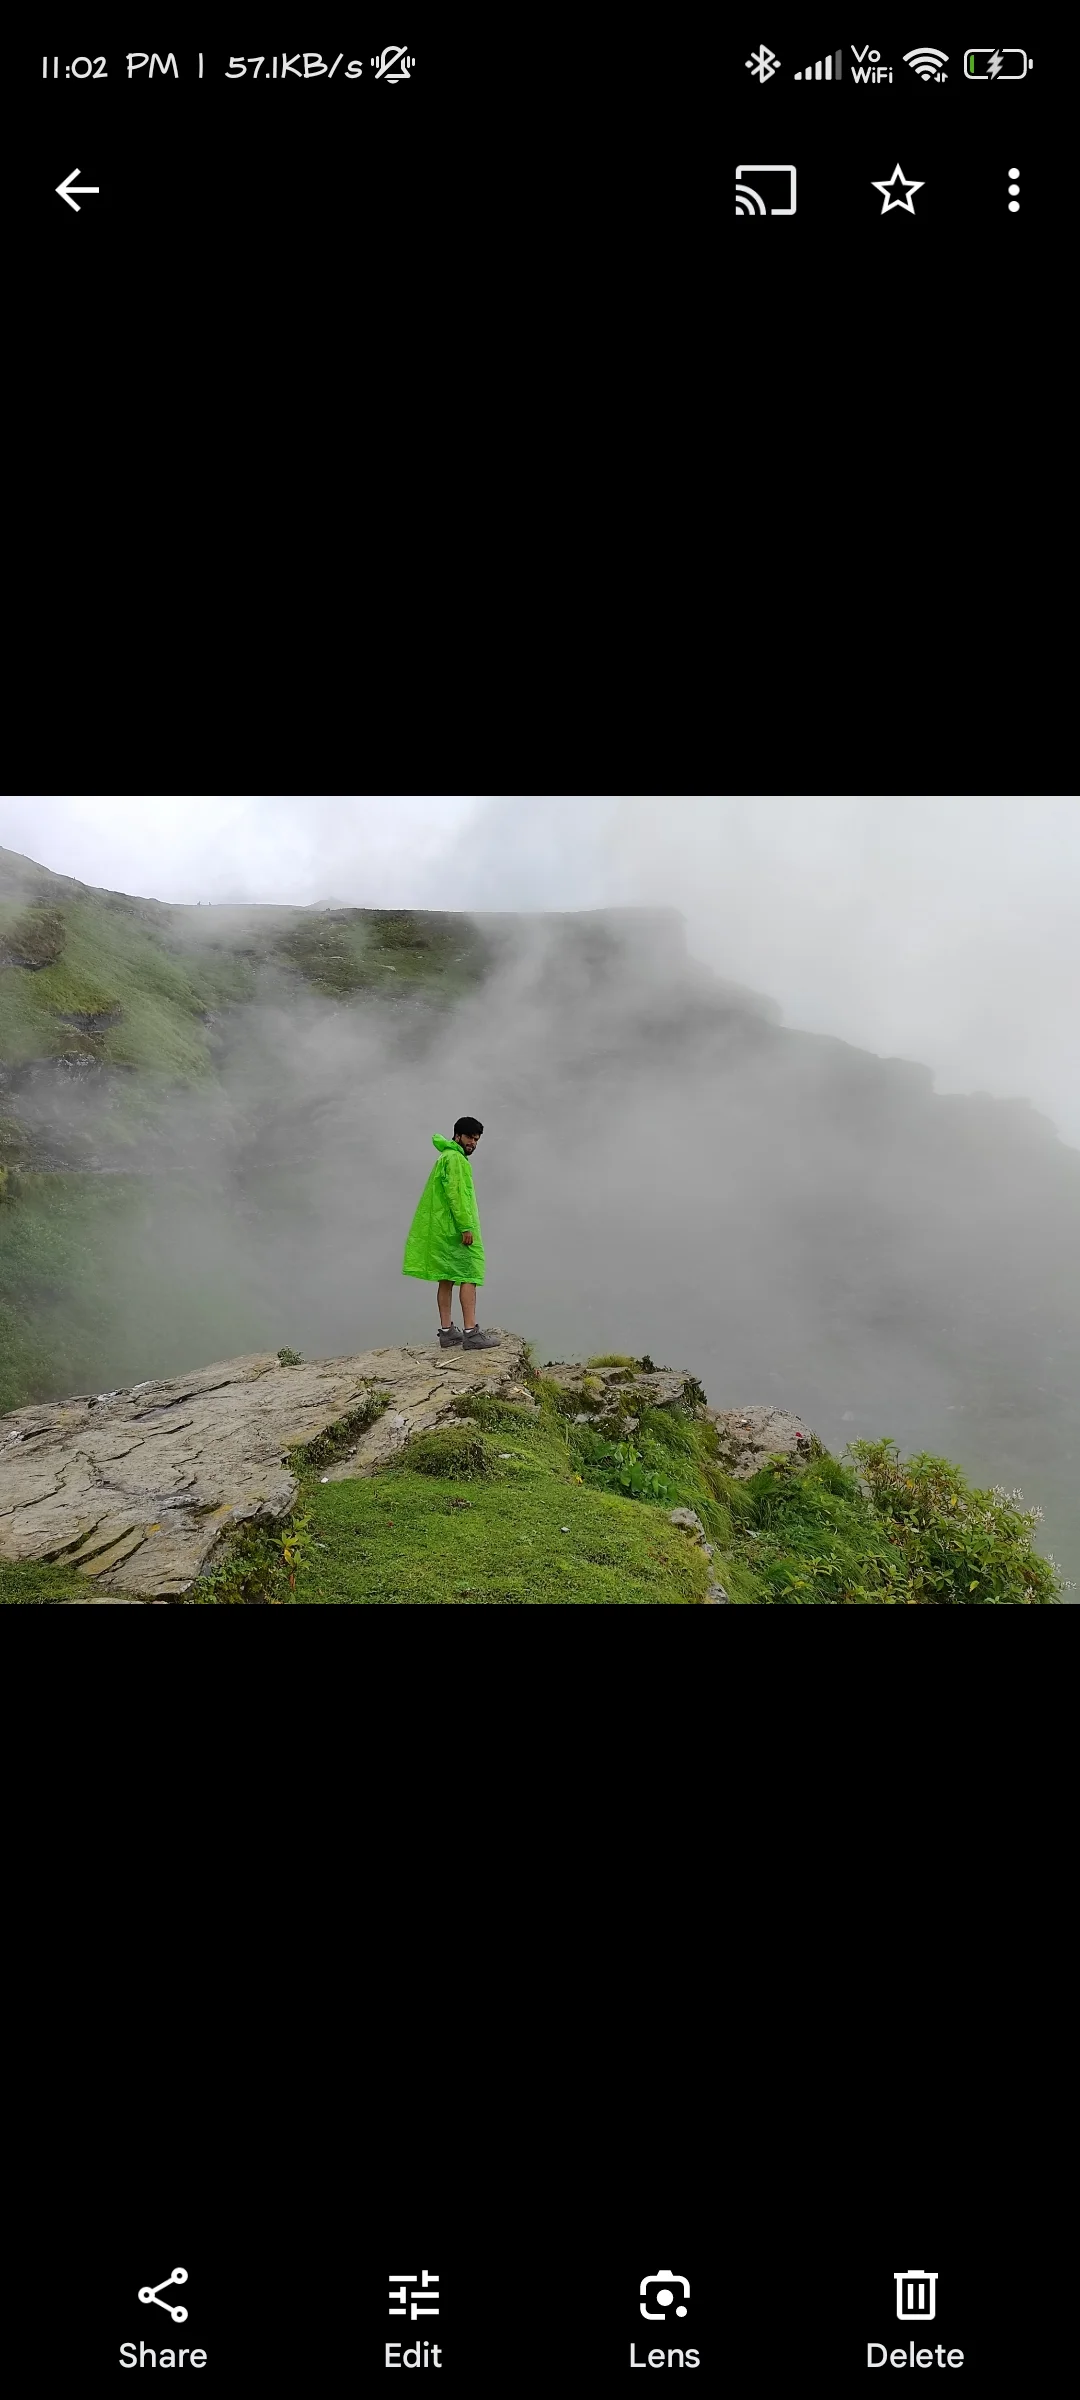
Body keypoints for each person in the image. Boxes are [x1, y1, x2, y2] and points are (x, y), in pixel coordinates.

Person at [402, 1117, 499, 1349]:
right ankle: (471, 1332)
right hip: (456, 1228)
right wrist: (466, 1226)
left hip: (441, 1228)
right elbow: (457, 1195)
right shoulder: (455, 1159)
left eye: (476, 1139)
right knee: (470, 1274)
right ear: (457, 1136)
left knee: (446, 1277)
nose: (473, 1143)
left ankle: (447, 1332)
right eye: (469, 1138)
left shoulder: (445, 1156)